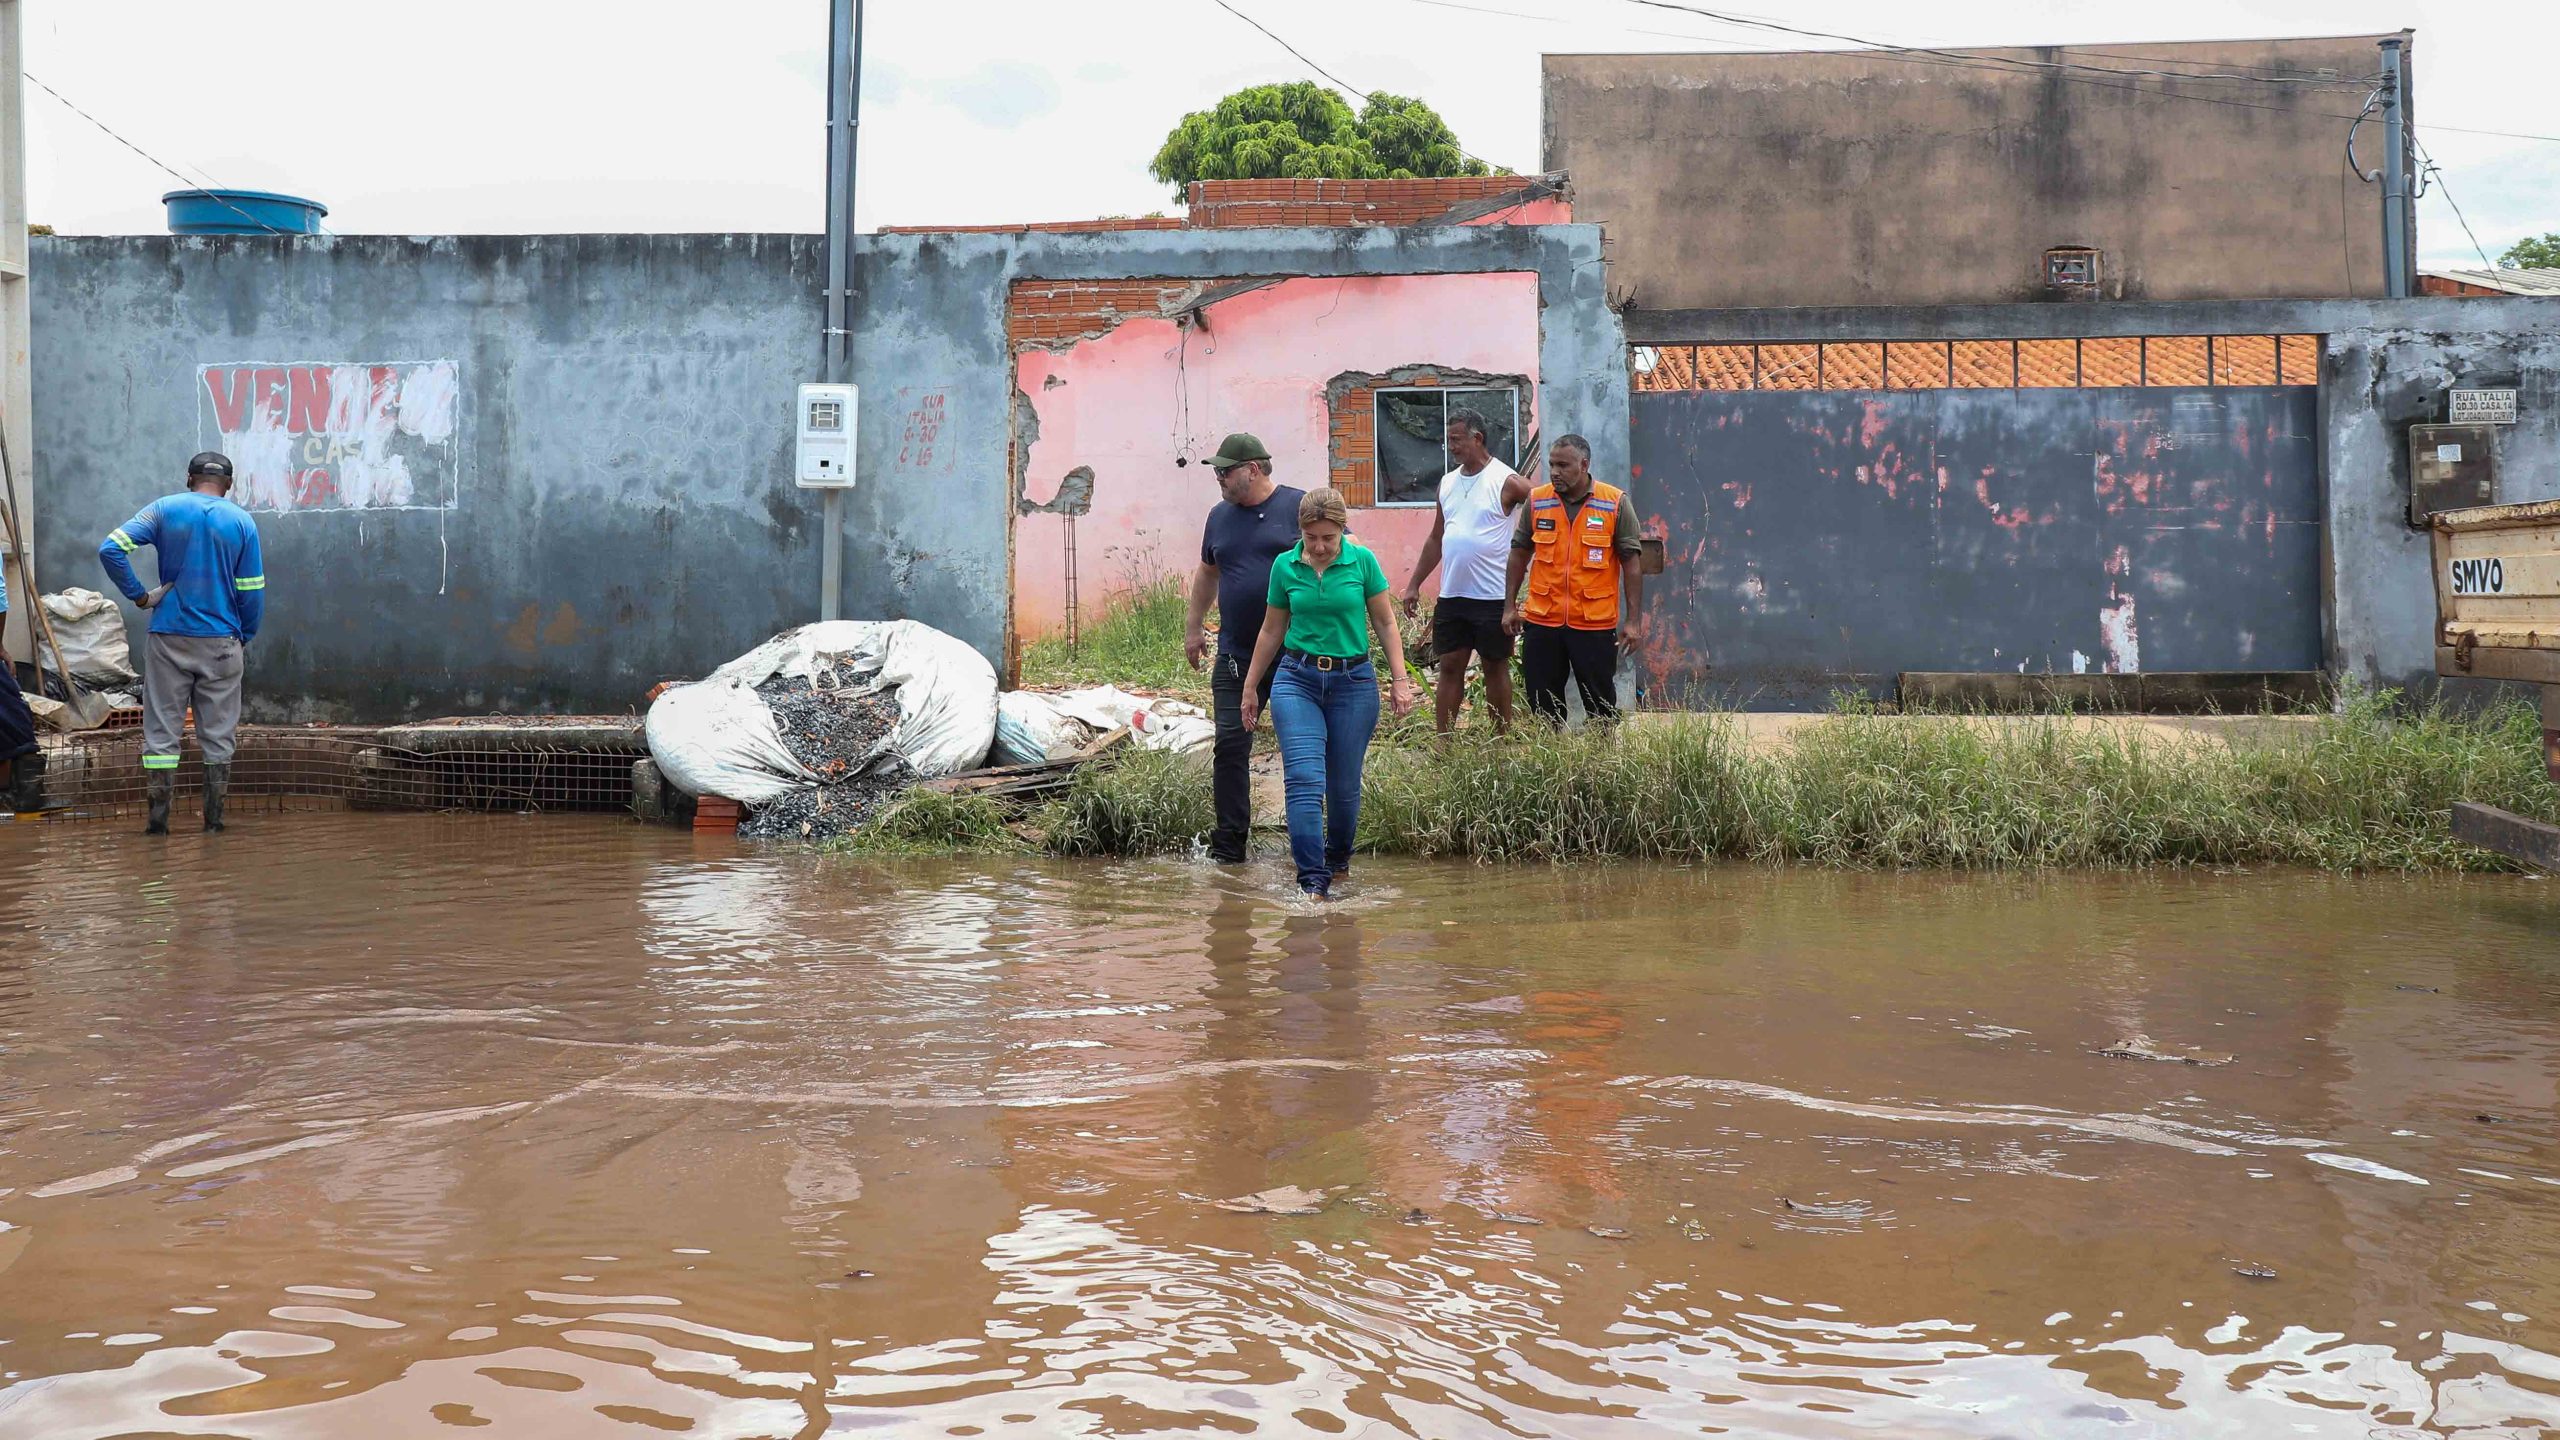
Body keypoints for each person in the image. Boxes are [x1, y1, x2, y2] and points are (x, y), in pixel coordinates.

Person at [1239, 488, 1417, 898]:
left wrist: (1400, 680)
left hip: (1353, 683)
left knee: (1343, 786)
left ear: (1342, 532)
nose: (1319, 547)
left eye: (1328, 538)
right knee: (1303, 779)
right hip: (1296, 679)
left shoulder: (1363, 562)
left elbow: (1386, 624)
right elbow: (1271, 630)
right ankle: (1312, 882)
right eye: (1311, 537)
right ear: (1300, 530)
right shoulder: (1285, 567)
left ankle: (1337, 863)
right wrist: (1251, 686)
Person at [99, 451, 265, 835]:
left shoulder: (163, 510)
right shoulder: (241, 522)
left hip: (168, 638)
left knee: (160, 736)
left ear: (189, 478)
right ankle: (214, 825)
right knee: (218, 736)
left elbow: (111, 549)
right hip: (223, 642)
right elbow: (252, 590)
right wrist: (244, 636)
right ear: (229, 484)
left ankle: (157, 828)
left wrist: (139, 596)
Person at [1183, 432, 1303, 864]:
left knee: (1299, 746)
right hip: (1235, 653)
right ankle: (1230, 847)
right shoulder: (1219, 516)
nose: (1218, 478)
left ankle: (1306, 842)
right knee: (1231, 744)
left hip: (1294, 654)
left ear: (1252, 469)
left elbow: (1347, 552)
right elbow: (1207, 573)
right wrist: (1194, 628)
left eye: (1224, 470)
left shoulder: (1298, 507)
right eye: (1216, 471)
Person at [1397, 407, 1533, 733]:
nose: (1452, 447)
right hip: (1453, 595)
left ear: (1478, 438)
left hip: (1492, 596)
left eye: (1457, 440)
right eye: (1449, 441)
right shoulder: (1447, 483)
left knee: (1494, 667)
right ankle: (1444, 742)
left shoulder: (1507, 481)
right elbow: (1436, 537)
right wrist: (1415, 584)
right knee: (1449, 666)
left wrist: (1535, 559)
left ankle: (1500, 742)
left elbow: (1545, 508)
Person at [1503, 435, 1644, 725]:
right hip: (1543, 622)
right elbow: (1518, 554)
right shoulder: (1537, 500)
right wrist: (1509, 607)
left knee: (1600, 706)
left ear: (1584, 465)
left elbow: (1632, 564)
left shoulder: (1614, 503)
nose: (1555, 471)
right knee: (1543, 706)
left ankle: (1601, 763)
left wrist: (1633, 621)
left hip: (1593, 624)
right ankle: (1550, 763)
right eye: (1552, 464)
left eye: (1563, 465)